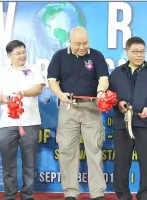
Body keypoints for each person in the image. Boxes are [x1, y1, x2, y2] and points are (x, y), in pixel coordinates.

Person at [47, 26, 109, 200]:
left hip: (91, 107)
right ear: (70, 42)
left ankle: (97, 193)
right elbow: (52, 81)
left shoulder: (97, 56)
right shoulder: (59, 56)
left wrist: (101, 92)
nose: (82, 47)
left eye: (85, 43)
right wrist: (61, 95)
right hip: (69, 108)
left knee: (95, 149)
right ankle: (70, 192)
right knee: (66, 150)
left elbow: (103, 79)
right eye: (77, 44)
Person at [109, 37, 147, 200]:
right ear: (127, 52)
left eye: (142, 51)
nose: (139, 55)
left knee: (146, 161)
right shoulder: (117, 73)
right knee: (121, 161)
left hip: (145, 123)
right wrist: (118, 104)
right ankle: (123, 194)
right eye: (135, 52)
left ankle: (145, 193)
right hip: (122, 124)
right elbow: (110, 95)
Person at [0, 40, 45, 200]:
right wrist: (6, 98)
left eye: (24, 52)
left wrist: (22, 93)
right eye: (18, 53)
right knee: (8, 161)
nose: (22, 56)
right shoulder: (1, 73)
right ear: (9, 55)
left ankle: (27, 194)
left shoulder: (34, 70)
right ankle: (9, 194)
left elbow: (39, 88)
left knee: (29, 161)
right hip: (7, 123)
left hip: (30, 121)